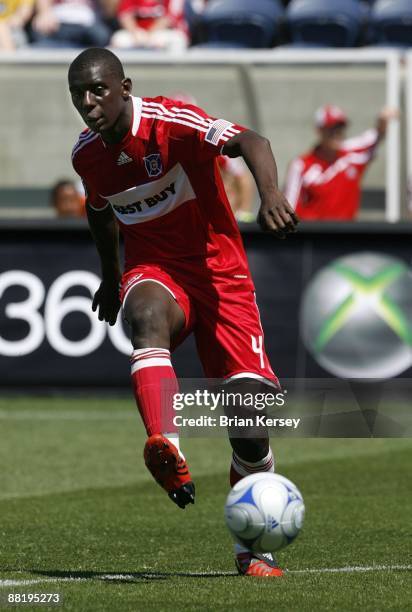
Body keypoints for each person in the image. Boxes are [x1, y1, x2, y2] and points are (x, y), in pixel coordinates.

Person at [69, 47, 297, 577]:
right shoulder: (87, 156)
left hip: (221, 276)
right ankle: (166, 446)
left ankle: (252, 546)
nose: (88, 102)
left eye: (98, 90)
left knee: (247, 420)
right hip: (157, 270)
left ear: (125, 87)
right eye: (78, 94)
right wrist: (110, 275)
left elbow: (251, 141)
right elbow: (99, 210)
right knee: (145, 316)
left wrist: (270, 194)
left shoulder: (170, 122)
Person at [284, 104, 398, 221]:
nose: (337, 133)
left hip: (347, 235)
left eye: (340, 128)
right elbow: (289, 211)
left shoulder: (352, 155)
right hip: (315, 236)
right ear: (319, 131)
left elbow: (375, 136)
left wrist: (382, 122)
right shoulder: (300, 165)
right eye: (331, 128)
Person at [111, 0, 188, 51]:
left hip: (164, 32)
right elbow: (125, 15)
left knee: (178, 40)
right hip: (139, 33)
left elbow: (168, 18)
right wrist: (136, 34)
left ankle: (174, 72)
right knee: (119, 39)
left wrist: (149, 36)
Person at [31, 0, 111, 48]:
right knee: (38, 31)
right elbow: (44, 9)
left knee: (102, 36)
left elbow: (109, 11)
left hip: (88, 25)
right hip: (59, 23)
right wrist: (44, 12)